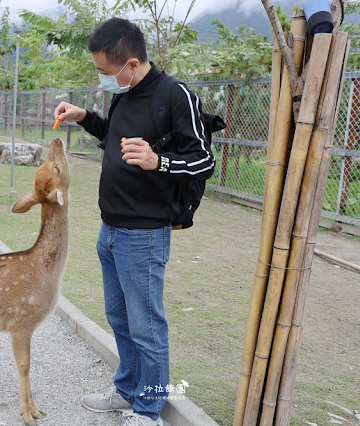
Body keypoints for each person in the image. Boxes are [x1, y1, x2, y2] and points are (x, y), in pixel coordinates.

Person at [54, 17, 214, 426]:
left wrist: (159, 161)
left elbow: (205, 160)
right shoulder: (124, 94)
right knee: (120, 319)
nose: (105, 79)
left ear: (130, 62)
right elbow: (114, 136)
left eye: (107, 72)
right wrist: (83, 115)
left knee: (147, 328)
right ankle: (127, 391)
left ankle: (149, 411)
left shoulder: (175, 95)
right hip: (111, 229)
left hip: (144, 233)